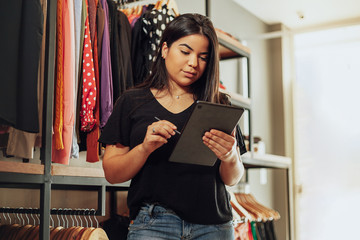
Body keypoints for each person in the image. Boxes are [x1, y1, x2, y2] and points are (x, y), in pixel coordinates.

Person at [99, 13, 247, 240]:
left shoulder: (219, 103)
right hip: (153, 225)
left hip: (214, 227)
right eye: (185, 52)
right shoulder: (132, 101)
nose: (193, 63)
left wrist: (230, 157)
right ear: (165, 49)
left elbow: (232, 178)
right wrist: (144, 148)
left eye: (203, 57)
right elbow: (112, 173)